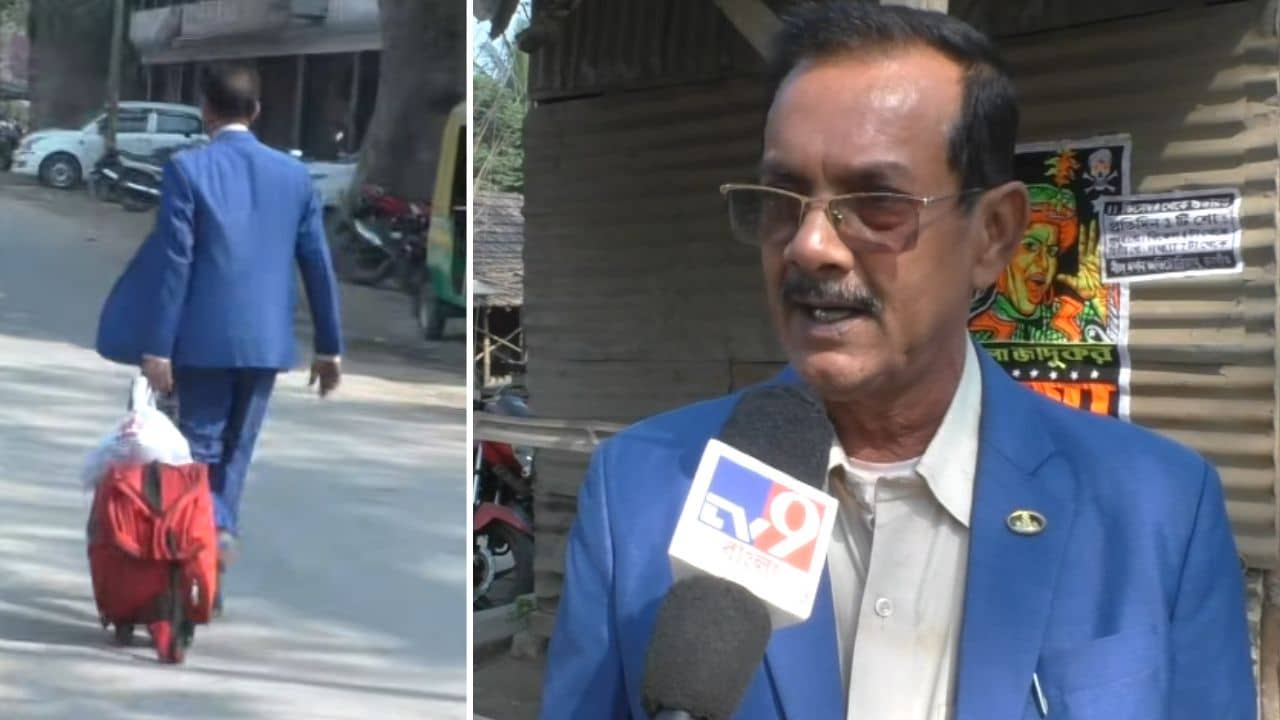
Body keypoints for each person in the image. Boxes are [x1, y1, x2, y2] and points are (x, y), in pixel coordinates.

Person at [539, 4, 1254, 719]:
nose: (810, 246)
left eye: (877, 203)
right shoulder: (639, 493)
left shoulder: (1157, 511)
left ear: (994, 234)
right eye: (782, 200)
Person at [96, 63, 344, 616]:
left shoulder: (188, 169)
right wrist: (329, 346)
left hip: (200, 344)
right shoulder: (294, 176)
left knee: (200, 452)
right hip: (266, 345)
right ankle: (217, 542)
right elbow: (317, 263)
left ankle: (201, 547)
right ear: (256, 111)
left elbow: (175, 263)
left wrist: (158, 347)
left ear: (206, 110)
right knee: (237, 454)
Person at [969, 184, 1108, 343]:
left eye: (1052, 251)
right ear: (1001, 251)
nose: (1044, 264)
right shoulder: (972, 326)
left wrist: (1099, 300)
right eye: (1031, 246)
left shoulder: (1070, 316)